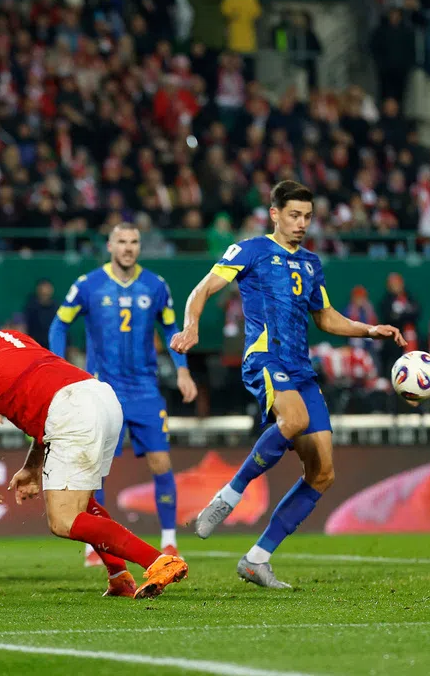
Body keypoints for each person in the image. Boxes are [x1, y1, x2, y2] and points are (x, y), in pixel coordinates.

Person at [170, 181, 404, 588]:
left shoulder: (312, 262)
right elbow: (203, 288)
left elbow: (327, 317)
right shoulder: (250, 250)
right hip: (264, 357)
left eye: (308, 217)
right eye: (294, 215)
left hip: (301, 368)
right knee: (292, 419)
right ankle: (230, 494)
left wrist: (370, 330)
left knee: (323, 473)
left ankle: (257, 558)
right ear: (274, 213)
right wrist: (191, 326)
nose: (301, 224)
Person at [0, 300, 190, 600]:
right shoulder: (12, 337)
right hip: (100, 395)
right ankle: (119, 576)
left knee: (64, 520)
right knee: (83, 502)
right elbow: (50, 394)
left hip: (71, 412)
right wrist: (32, 466)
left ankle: (159, 561)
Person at [48, 223, 198, 564]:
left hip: (145, 389)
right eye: (122, 242)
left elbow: (172, 327)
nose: (128, 248)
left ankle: (170, 541)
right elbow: (60, 323)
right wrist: (59, 368)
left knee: (161, 463)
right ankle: (94, 543)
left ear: (139, 247)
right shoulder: (89, 285)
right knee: (94, 469)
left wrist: (183, 369)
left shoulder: (155, 285)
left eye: (134, 242)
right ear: (110, 246)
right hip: (102, 391)